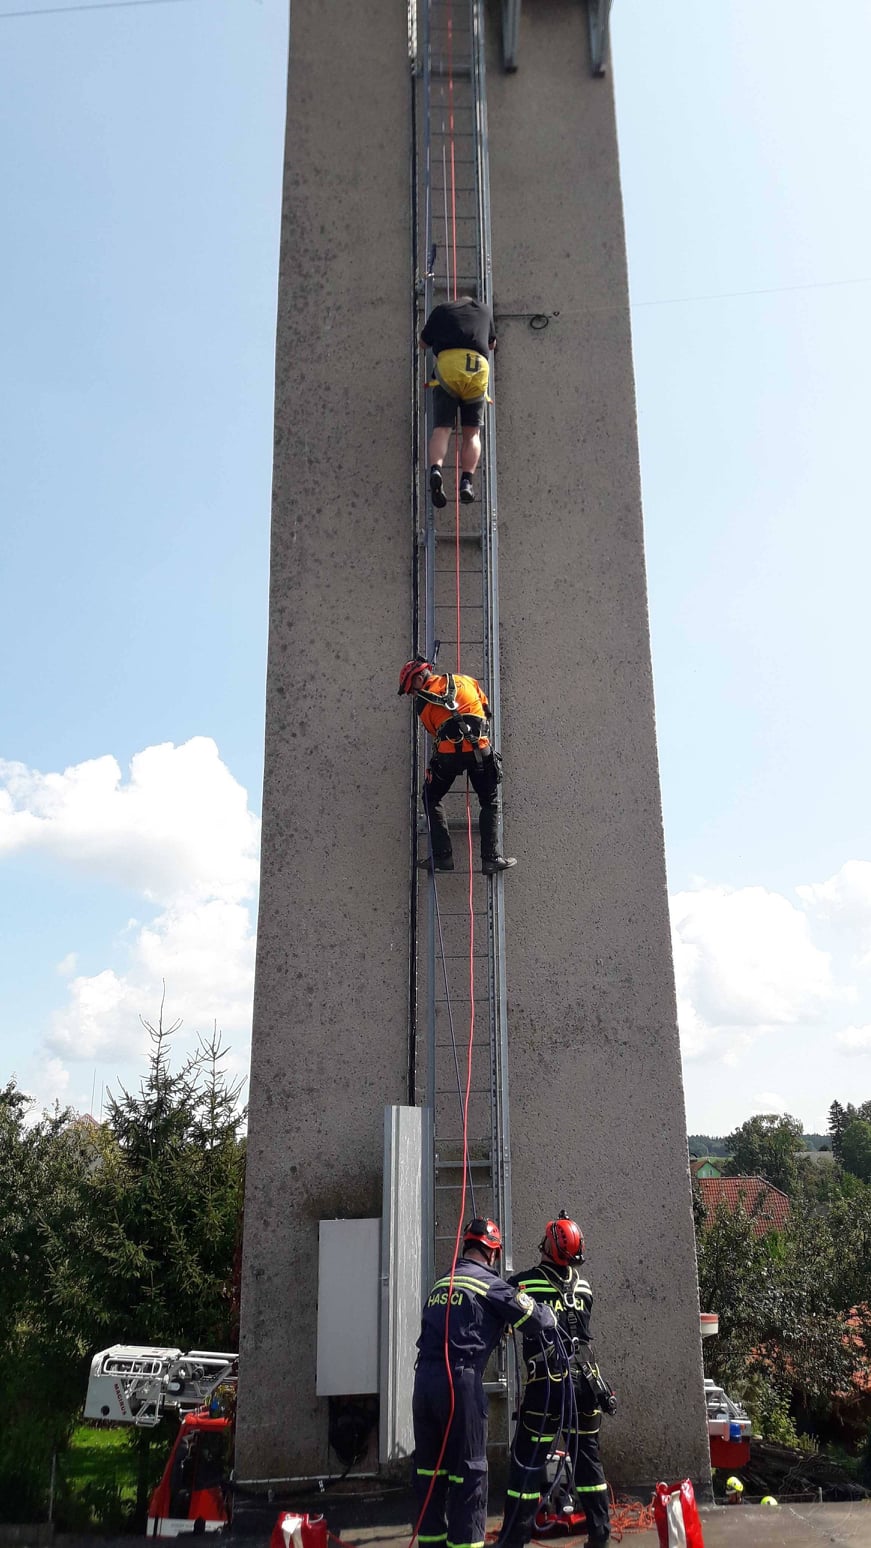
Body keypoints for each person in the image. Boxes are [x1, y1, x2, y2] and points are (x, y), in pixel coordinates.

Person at [413, 1218, 557, 1548]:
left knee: (430, 1476)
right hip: (460, 1384)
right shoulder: (489, 1284)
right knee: (470, 1475)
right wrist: (548, 1314)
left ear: (467, 1246)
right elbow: (534, 1318)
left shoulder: (441, 1283)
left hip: (423, 1383)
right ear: (492, 1252)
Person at [497, 1214, 613, 1548]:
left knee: (527, 1464)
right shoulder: (585, 1288)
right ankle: (599, 1534)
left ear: (549, 1245)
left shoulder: (525, 1284)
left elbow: (505, 1304)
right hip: (587, 1386)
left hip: (547, 1389)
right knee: (588, 1463)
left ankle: (513, 1540)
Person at [398, 657, 516, 877]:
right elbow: (486, 710)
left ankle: (443, 856)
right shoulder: (467, 680)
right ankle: (491, 859)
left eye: (410, 690)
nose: (413, 696)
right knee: (489, 801)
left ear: (417, 680)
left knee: (431, 797)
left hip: (449, 754)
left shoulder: (422, 705)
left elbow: (434, 731)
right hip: (479, 749)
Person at [420, 294, 496, 509]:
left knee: (442, 429)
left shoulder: (442, 310)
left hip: (449, 367)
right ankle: (467, 481)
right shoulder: (485, 311)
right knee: (472, 433)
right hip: (477, 369)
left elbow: (423, 343)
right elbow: (492, 344)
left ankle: (435, 469)